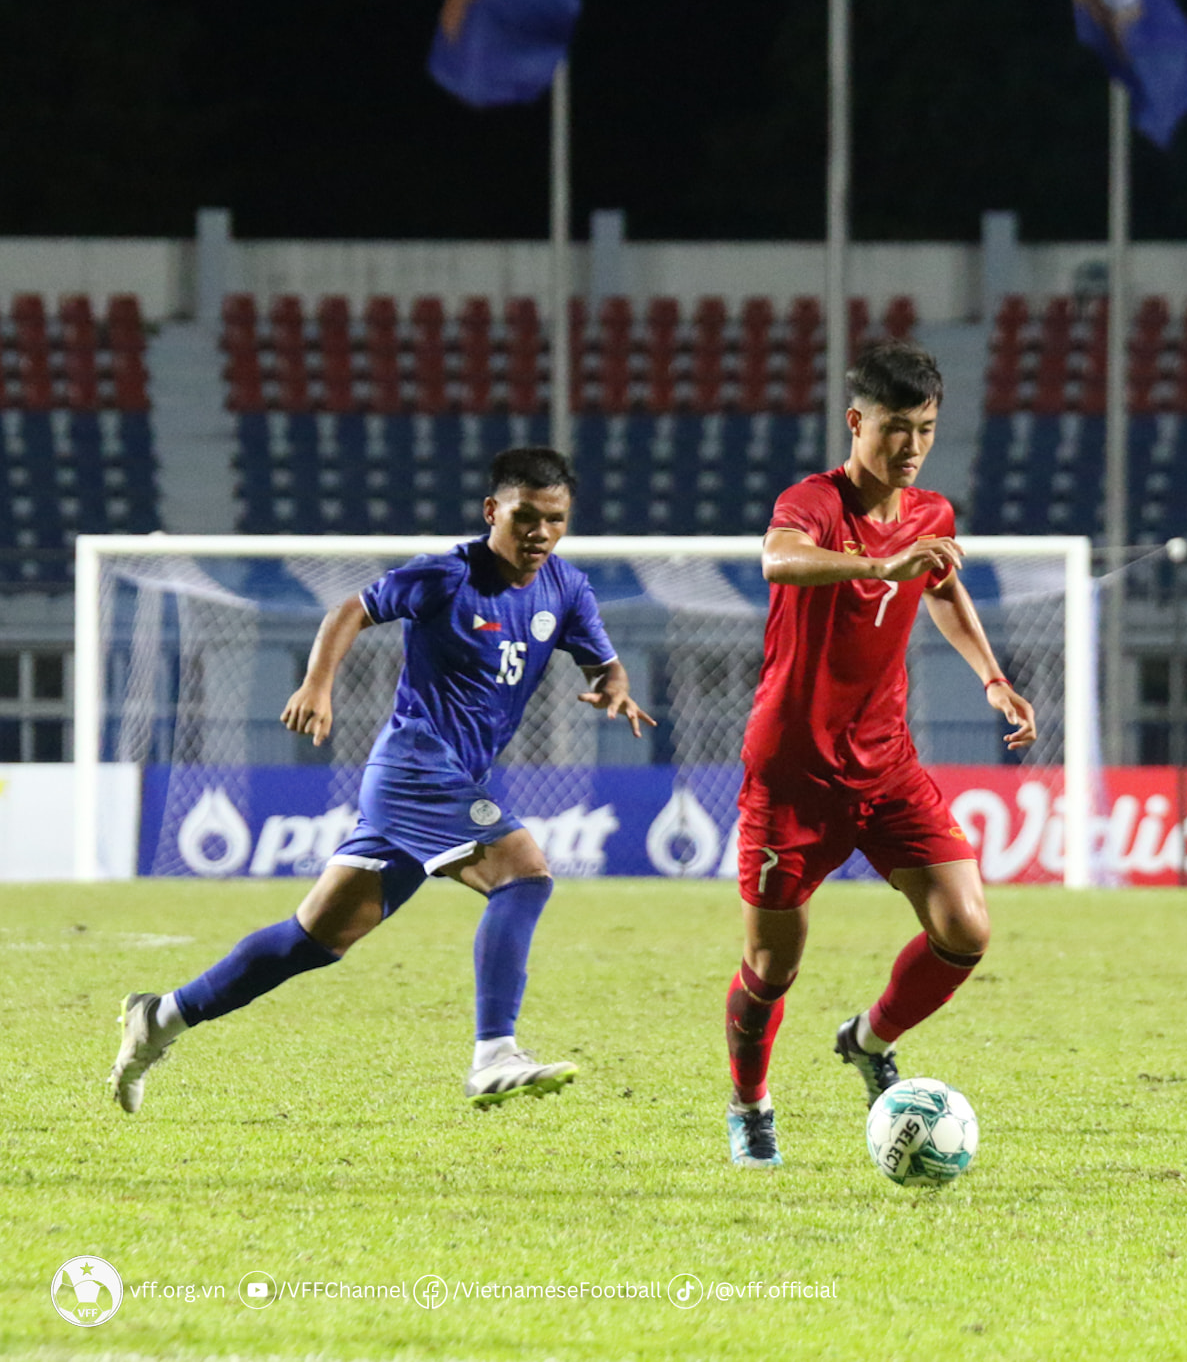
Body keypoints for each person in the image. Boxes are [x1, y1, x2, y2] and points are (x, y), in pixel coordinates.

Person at [110, 448, 655, 1113]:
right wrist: (317, 682)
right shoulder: (444, 576)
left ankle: (158, 1017)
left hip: (446, 781)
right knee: (524, 874)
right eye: (525, 517)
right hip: (413, 769)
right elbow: (350, 611)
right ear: (493, 512)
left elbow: (605, 662)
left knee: (314, 939)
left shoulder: (565, 587)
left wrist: (612, 688)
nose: (540, 532)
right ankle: (494, 1053)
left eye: (555, 519)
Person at [724, 341, 1035, 1168]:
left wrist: (993, 677)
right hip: (792, 773)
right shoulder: (816, 503)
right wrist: (877, 560)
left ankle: (868, 1038)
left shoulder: (931, 513)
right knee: (770, 966)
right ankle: (750, 1101)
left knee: (965, 926)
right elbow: (775, 557)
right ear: (856, 422)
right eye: (896, 429)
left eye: (925, 430)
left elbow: (942, 585)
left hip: (887, 764)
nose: (911, 448)